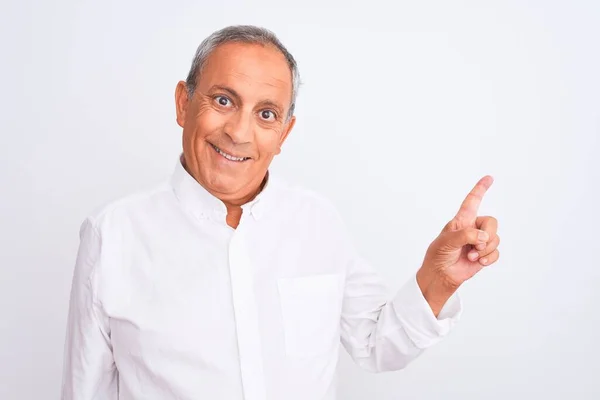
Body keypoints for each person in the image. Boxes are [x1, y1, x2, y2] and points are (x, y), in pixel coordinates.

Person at [61, 25, 500, 400]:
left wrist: (439, 279)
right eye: (223, 101)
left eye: (266, 113)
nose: (238, 132)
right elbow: (86, 388)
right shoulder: (112, 234)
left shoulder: (317, 221)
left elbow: (377, 345)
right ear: (183, 103)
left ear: (284, 132)